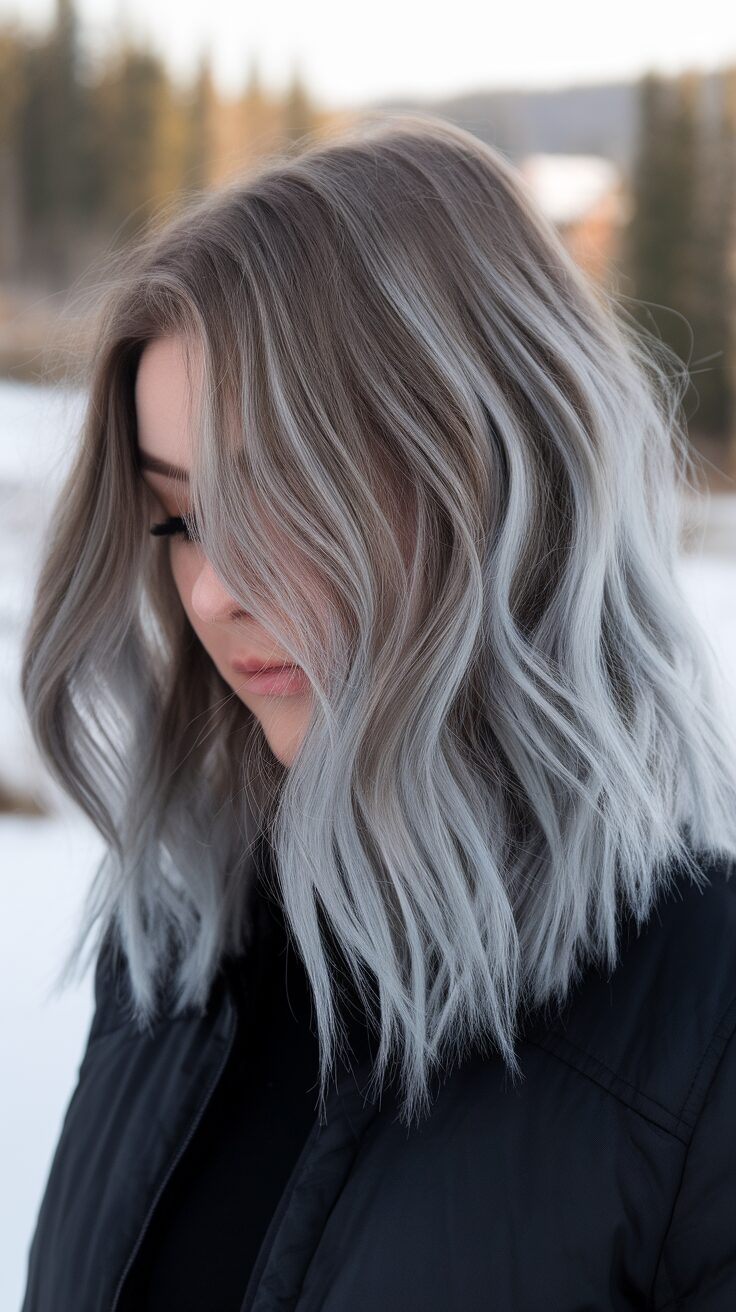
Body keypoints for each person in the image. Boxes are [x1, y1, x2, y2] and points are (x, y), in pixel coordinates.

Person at [19, 110, 736, 1311]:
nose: (214, 588)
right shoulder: (177, 941)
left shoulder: (703, 1028)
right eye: (179, 516)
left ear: (500, 472)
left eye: (284, 495)